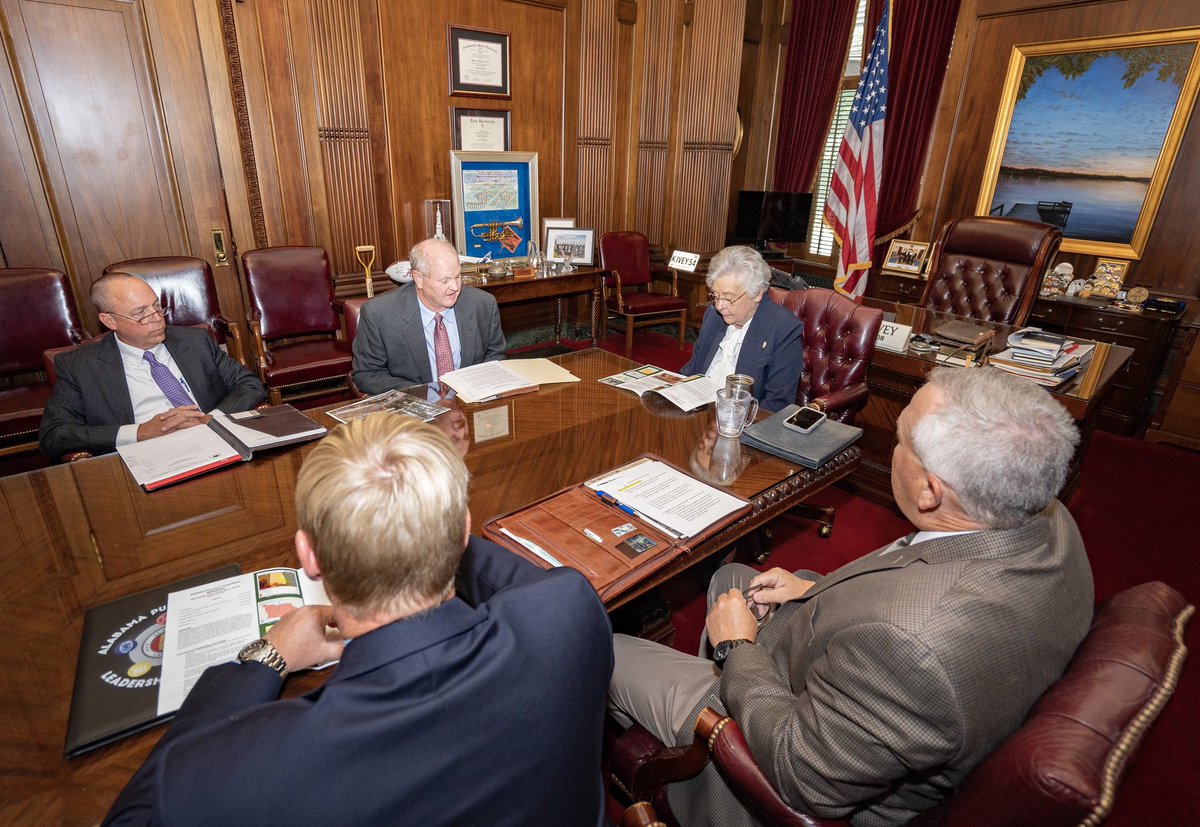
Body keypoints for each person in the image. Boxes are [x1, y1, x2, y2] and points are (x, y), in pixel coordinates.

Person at [609, 366, 1094, 826]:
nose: (893, 448)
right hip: (844, 681)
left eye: (900, 439)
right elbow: (911, 586)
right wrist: (811, 589)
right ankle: (696, 698)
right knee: (733, 579)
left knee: (604, 647)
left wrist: (738, 649)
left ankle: (694, 741)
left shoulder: (913, 648)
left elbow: (801, 773)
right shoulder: (1048, 522)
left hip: (777, 737)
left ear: (930, 491)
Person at [103, 415, 614, 826]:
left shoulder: (235, 779)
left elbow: (138, 812)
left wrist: (266, 660)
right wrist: (423, 519)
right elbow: (518, 578)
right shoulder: (569, 612)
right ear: (462, 530)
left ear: (308, 554)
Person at [38, 273, 266, 459]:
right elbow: (54, 435)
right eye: (141, 314)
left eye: (157, 307)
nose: (157, 318)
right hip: (145, 459)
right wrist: (139, 433)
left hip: (215, 445)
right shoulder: (79, 366)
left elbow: (249, 385)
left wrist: (211, 419)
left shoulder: (196, 341)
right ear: (110, 321)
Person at [352, 237, 507, 393]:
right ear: (418, 278)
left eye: (458, 276)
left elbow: (495, 354)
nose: (455, 287)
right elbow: (367, 375)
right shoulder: (380, 314)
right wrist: (426, 393)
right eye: (445, 280)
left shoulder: (482, 304)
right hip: (414, 408)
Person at [681, 245, 804, 413]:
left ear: (757, 294)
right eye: (716, 296)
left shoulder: (783, 329)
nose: (719, 306)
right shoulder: (713, 316)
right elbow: (692, 371)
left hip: (741, 425)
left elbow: (777, 405)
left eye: (729, 298)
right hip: (698, 412)